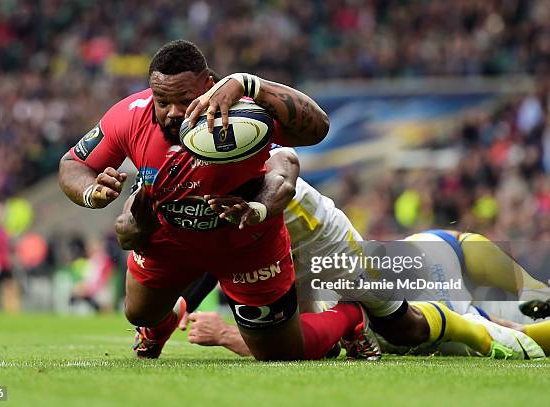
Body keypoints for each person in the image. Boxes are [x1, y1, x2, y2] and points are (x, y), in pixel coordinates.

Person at [59, 40, 373, 361]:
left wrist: (251, 83)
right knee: (139, 313)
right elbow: (73, 164)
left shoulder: (242, 115)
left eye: (185, 100)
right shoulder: (130, 116)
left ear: (208, 85)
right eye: (162, 101)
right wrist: (90, 191)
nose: (173, 113)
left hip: (246, 242)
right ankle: (159, 326)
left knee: (280, 353)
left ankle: (349, 314)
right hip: (172, 238)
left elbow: (315, 131)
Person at [178, 147, 547, 359]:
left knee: (490, 328)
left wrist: (225, 334)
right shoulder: (296, 244)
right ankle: (533, 291)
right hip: (413, 263)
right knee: (448, 244)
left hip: (422, 310)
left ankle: (501, 321)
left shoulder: (291, 288)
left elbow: (286, 344)